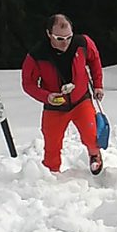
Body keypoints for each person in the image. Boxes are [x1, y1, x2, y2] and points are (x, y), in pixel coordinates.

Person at [21, 14, 105, 174]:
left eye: (69, 37)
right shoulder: (37, 55)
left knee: (91, 136)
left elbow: (94, 60)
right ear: (49, 34)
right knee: (52, 146)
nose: (65, 42)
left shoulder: (83, 43)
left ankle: (95, 155)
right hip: (55, 106)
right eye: (59, 38)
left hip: (81, 100)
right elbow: (28, 83)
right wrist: (46, 96)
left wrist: (98, 85)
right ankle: (51, 175)